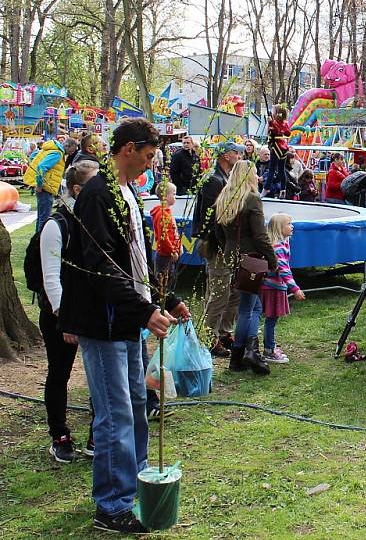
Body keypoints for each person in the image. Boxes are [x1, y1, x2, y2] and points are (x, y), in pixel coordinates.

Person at [59, 118, 189, 534]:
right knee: (114, 414)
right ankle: (111, 506)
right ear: (129, 149)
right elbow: (101, 267)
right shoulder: (98, 195)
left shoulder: (126, 192)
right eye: (149, 155)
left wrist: (165, 300)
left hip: (127, 319)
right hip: (105, 322)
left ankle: (136, 483)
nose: (152, 164)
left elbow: (135, 258)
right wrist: (141, 310)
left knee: (135, 404)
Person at [39, 161, 99, 462]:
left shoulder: (95, 219)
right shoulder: (57, 224)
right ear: (77, 189)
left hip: (91, 312)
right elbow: (51, 277)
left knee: (98, 375)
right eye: (95, 181)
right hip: (60, 316)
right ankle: (59, 435)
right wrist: (66, 319)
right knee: (59, 373)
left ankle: (95, 435)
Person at [215, 160, 277, 375]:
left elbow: (219, 232)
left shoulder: (224, 197)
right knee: (248, 308)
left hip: (233, 257)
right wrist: (273, 260)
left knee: (251, 305)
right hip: (251, 259)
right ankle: (248, 353)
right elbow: (260, 236)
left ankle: (240, 357)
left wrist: (228, 251)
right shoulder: (252, 199)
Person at [191, 140, 244, 358]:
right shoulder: (213, 181)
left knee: (233, 292)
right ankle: (209, 337)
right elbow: (213, 218)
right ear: (225, 156)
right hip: (217, 246)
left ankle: (224, 333)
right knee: (219, 292)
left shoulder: (226, 178)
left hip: (227, 245)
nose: (239, 156)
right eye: (235, 152)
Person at [259, 213, 306, 364]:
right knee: (271, 319)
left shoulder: (283, 243)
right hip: (273, 287)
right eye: (288, 224)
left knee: (271, 319)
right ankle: (269, 350)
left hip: (274, 286)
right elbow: (283, 269)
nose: (292, 226)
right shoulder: (278, 247)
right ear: (280, 228)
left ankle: (270, 346)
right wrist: (295, 288)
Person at [23, 138, 66, 233]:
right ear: (68, 147)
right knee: (44, 218)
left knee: (41, 216)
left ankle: (37, 240)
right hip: (45, 188)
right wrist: (39, 185)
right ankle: (39, 242)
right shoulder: (57, 153)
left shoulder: (50, 150)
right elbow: (41, 167)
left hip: (44, 187)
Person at [150, 181, 181, 289]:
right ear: (165, 196)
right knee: (164, 282)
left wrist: (178, 246)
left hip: (170, 253)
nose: (175, 196)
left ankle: (169, 301)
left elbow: (173, 232)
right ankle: (163, 302)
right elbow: (164, 238)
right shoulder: (162, 215)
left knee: (171, 278)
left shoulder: (168, 212)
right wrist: (172, 251)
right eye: (173, 194)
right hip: (165, 255)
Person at [265, 104, 291, 197]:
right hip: (283, 147)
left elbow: (275, 131)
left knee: (272, 169)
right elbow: (287, 133)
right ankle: (283, 189)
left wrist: (271, 123)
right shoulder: (285, 123)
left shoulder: (275, 123)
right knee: (281, 170)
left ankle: (266, 188)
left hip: (276, 146)